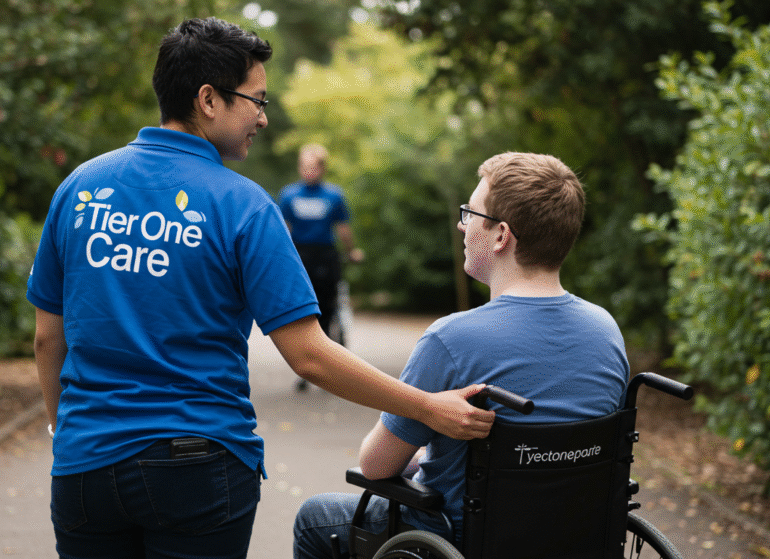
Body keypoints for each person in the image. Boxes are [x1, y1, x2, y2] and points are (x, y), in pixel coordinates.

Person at [27, 17, 494, 559]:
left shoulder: (78, 188)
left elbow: (47, 340)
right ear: (208, 99)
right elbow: (310, 357)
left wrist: (69, 434)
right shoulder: (244, 205)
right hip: (198, 466)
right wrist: (428, 408)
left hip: (86, 467)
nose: (264, 118)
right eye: (256, 100)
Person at [293, 152, 631, 559]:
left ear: (501, 235)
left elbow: (377, 466)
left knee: (314, 518)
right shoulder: (605, 330)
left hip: (463, 536)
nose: (461, 224)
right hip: (573, 536)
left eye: (470, 213)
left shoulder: (452, 339)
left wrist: (421, 456)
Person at [278, 144, 363, 343]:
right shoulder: (289, 194)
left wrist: (351, 251)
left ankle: (327, 354)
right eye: (305, 166)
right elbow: (284, 229)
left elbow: (343, 228)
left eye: (314, 166)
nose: (309, 171)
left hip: (325, 256)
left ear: (323, 168)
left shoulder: (334, 195)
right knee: (300, 307)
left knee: (326, 307)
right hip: (300, 255)